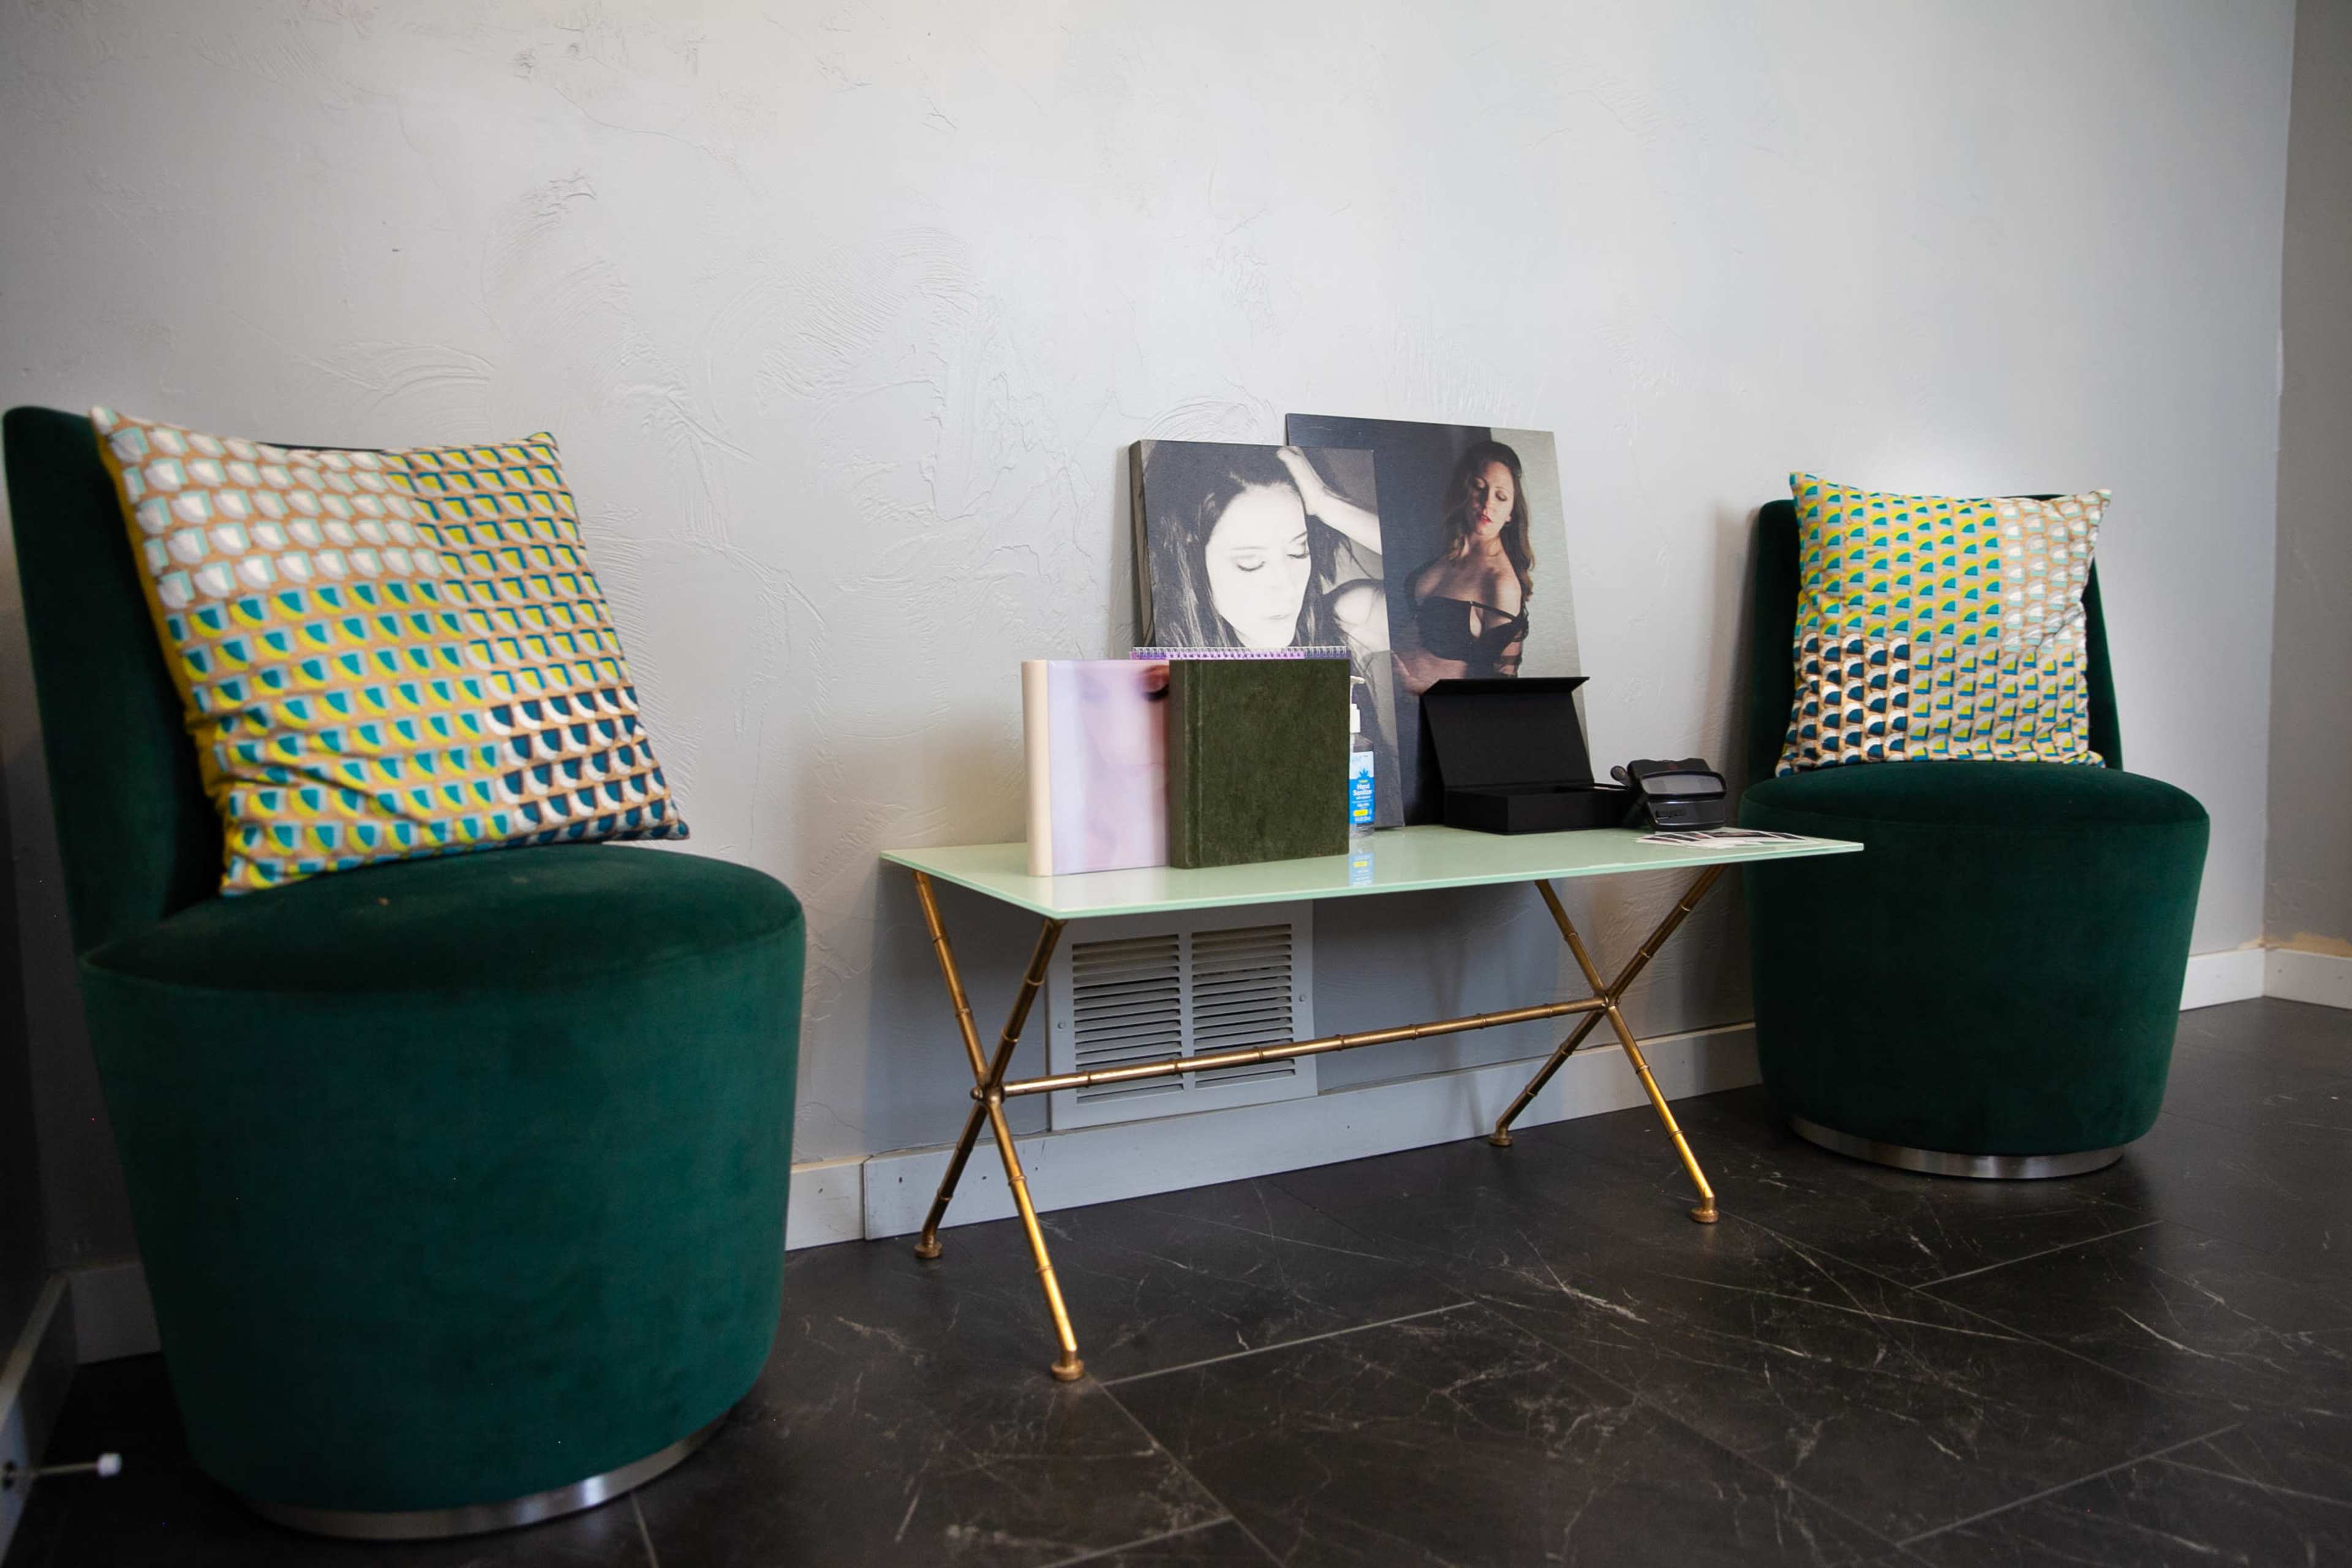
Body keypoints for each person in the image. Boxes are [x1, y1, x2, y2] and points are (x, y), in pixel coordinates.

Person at [1142, 443, 1388, 657]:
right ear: (1191, 560)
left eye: (1298, 551)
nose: (1287, 587)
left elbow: (1425, 602)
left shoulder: (1344, 627)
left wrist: (1327, 503)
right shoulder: (1156, 668)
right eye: (1252, 563)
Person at [1393, 439, 1535, 695]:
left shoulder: (1499, 583)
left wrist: (1420, 689)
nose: (1487, 502)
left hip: (1430, 709)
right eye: (1479, 487)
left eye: (1501, 497)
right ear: (1466, 490)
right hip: (1390, 694)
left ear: (1511, 514)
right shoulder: (1449, 551)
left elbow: (1499, 687)